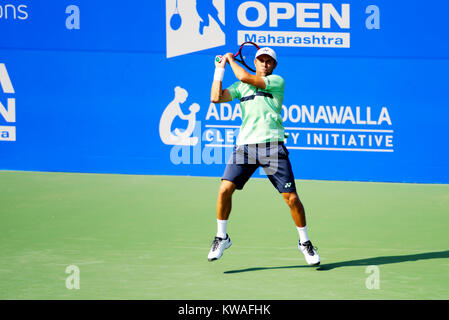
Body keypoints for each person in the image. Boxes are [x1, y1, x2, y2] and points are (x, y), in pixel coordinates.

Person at [207, 47, 320, 265]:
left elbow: (242, 75)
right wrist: (218, 71)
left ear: (274, 65)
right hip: (245, 148)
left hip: (272, 149)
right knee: (224, 189)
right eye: (261, 60)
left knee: (292, 199)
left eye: (269, 61)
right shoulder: (241, 87)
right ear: (255, 62)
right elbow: (215, 98)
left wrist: (229, 59)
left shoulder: (277, 81)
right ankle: (222, 237)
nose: (265, 64)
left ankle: (304, 242)